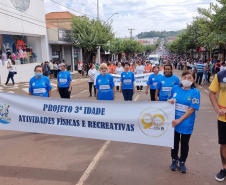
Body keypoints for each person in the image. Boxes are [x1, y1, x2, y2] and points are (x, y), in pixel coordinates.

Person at [168, 71, 200, 173]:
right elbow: (168, 100)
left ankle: (182, 161)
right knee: (174, 142)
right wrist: (170, 101)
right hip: (174, 121)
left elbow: (191, 109)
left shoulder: (195, 92)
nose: (186, 80)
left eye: (189, 78)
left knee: (184, 143)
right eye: (184, 77)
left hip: (186, 123)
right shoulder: (175, 89)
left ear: (193, 80)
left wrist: (180, 120)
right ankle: (174, 159)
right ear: (181, 79)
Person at [209, 69, 226, 182]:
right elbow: (212, 92)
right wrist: (217, 108)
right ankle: (224, 168)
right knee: (224, 144)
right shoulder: (221, 75)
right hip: (223, 119)